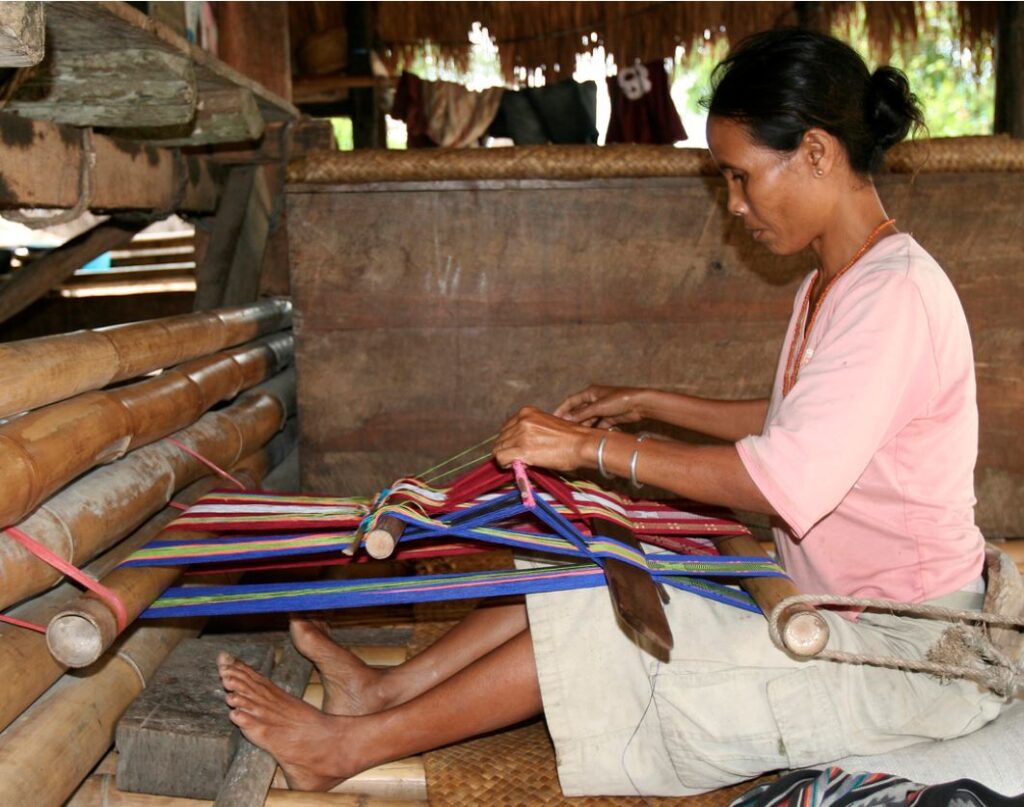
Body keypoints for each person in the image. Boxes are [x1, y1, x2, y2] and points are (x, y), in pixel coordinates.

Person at [216, 29, 1006, 795]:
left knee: (611, 606)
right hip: (832, 611)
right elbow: (797, 420)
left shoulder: (893, 293)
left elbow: (785, 477)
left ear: (817, 153)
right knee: (601, 549)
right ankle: (385, 692)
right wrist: (646, 404)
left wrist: (593, 451)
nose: (734, 206)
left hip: (906, 656)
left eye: (739, 177)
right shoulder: (831, 284)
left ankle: (346, 747)